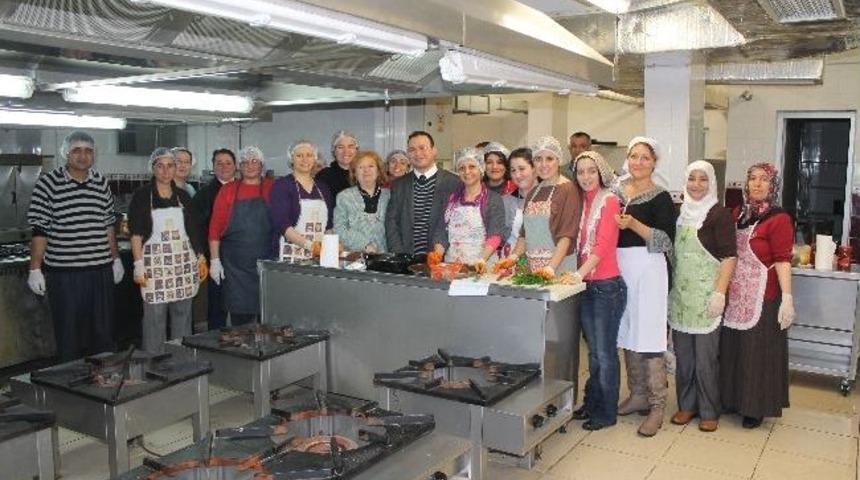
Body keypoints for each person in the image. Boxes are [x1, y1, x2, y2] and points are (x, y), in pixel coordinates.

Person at [27, 130, 124, 361]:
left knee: (102, 333)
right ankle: (69, 386)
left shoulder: (101, 183)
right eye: (76, 150)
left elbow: (108, 225)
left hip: (99, 271)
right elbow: (40, 229)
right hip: (64, 274)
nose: (83, 156)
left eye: (88, 151)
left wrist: (116, 259)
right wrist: (35, 268)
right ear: (65, 153)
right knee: (68, 334)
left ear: (94, 155)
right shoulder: (48, 184)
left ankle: (102, 381)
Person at [720, 163, 794, 429]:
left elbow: (783, 260)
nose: (757, 184)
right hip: (736, 292)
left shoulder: (779, 218)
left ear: (772, 185)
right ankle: (731, 399)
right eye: (752, 179)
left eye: (764, 180)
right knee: (733, 349)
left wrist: (787, 298)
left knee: (756, 353)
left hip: (764, 295)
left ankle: (755, 407)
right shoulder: (738, 213)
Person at [614, 136, 676, 437]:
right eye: (633, 156)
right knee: (628, 331)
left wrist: (634, 225)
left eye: (644, 157)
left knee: (649, 334)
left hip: (649, 269)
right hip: (619, 267)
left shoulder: (660, 197)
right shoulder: (616, 191)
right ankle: (637, 394)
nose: (638, 162)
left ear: (654, 163)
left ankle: (656, 405)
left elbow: (665, 241)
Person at [669, 161, 737, 433]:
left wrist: (720, 292)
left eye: (703, 179)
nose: (696, 185)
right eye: (692, 179)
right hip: (681, 298)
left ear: (712, 183)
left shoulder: (719, 215)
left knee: (706, 360)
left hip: (707, 297)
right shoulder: (678, 214)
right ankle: (687, 405)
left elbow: (729, 257)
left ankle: (709, 409)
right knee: (684, 358)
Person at [569, 151, 626, 431]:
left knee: (604, 353)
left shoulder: (610, 200)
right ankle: (592, 403)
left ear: (601, 172)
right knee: (593, 353)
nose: (586, 177)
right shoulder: (582, 201)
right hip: (587, 284)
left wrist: (577, 274)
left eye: (591, 171)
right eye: (580, 172)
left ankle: (606, 413)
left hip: (606, 286)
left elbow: (602, 247)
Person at [129, 148, 206, 353]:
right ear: (152, 168)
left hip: (182, 266)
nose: (165, 171)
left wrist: (200, 257)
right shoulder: (142, 196)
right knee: (155, 319)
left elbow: (192, 230)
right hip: (154, 269)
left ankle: (181, 362)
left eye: (170, 165)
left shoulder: (183, 196)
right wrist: (138, 264)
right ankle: (154, 364)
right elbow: (135, 234)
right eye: (160, 166)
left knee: (183, 316)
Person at [208, 146, 274, 325]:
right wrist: (215, 261)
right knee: (240, 322)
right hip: (235, 268)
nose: (250, 165)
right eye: (245, 162)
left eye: (255, 161)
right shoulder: (228, 190)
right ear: (239, 166)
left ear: (262, 165)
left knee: (267, 318)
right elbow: (215, 227)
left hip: (266, 264)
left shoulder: (272, 187)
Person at [504, 136, 582, 276]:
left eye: (549, 159)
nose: (543, 164)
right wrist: (512, 257)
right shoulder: (534, 192)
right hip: (533, 269)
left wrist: (550, 268)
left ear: (559, 160)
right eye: (538, 159)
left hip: (559, 267)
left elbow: (567, 236)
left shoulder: (568, 190)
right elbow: (524, 234)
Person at [385, 131, 460, 255]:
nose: (418, 153)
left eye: (422, 148)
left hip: (443, 259)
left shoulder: (454, 182)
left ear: (434, 150)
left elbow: (456, 223)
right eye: (412, 149)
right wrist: (399, 254)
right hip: (407, 259)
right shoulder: (399, 185)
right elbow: (391, 222)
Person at [431, 148, 505, 269]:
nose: (467, 171)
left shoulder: (493, 199)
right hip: (453, 265)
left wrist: (482, 260)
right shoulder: (451, 199)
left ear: (481, 169)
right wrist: (437, 254)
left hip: (482, 265)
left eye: (472, 167)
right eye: (462, 168)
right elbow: (441, 231)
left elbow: (495, 234)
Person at [192, 148, 237, 330]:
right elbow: (196, 228)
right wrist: (206, 256)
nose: (224, 167)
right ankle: (216, 344)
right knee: (217, 306)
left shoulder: (244, 188)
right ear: (213, 167)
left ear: (235, 166)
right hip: (216, 258)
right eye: (219, 163)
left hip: (242, 258)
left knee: (241, 306)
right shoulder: (204, 194)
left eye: (228, 163)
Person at [270, 141, 335, 262]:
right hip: (289, 257)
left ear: (314, 159)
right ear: (291, 160)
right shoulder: (282, 186)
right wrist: (310, 246)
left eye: (309, 155)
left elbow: (329, 226)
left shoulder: (323, 188)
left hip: (318, 257)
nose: (305, 160)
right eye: (299, 156)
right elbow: (282, 224)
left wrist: (332, 246)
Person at [334, 150, 390, 253]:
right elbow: (339, 229)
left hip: (385, 258)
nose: (366, 170)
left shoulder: (389, 196)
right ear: (354, 173)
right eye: (361, 167)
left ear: (378, 171)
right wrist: (365, 245)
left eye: (371, 166)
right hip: (354, 259)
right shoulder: (344, 197)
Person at [501, 148, 536, 256]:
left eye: (521, 169)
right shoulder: (505, 201)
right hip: (510, 261)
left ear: (534, 168)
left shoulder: (550, 198)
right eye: (513, 170)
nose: (517, 175)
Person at [316, 130, 359, 200]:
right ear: (334, 151)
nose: (346, 151)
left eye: (350, 147)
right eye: (341, 147)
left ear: (356, 150)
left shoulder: (364, 174)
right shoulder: (324, 176)